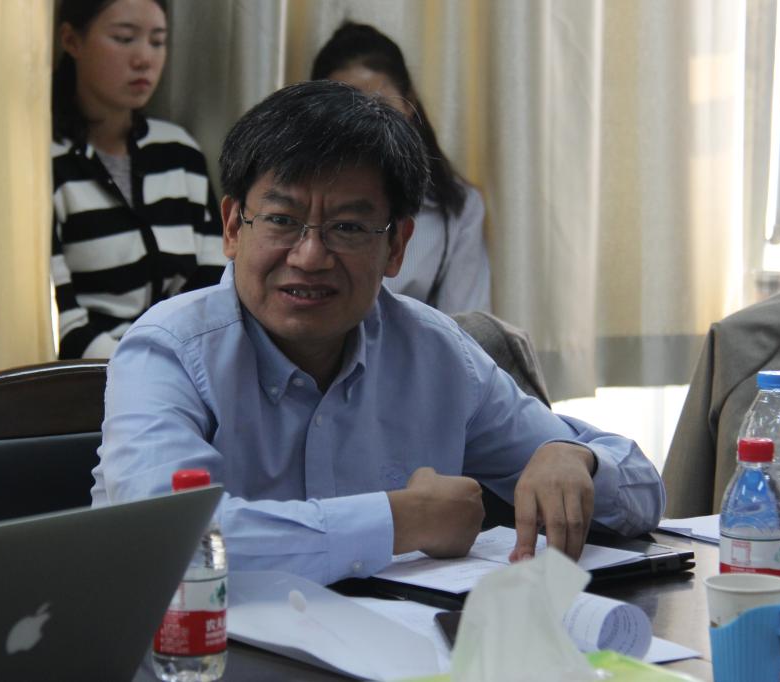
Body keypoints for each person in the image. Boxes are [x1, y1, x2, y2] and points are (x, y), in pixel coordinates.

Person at [92, 80, 665, 586]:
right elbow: (167, 539)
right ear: (232, 227)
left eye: (347, 227)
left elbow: (643, 490)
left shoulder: (437, 352)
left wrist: (573, 458)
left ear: (395, 246)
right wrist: (401, 519)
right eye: (282, 220)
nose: (310, 256)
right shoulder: (167, 351)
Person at [51, 0, 227, 359]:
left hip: (190, 367)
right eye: (124, 38)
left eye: (157, 42)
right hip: (88, 378)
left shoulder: (179, 151)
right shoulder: (46, 163)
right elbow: (59, 321)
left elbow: (216, 281)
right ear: (71, 40)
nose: (144, 58)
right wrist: (141, 374)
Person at [311, 22, 491, 315]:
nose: (365, 129)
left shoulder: (456, 207)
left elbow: (465, 327)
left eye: (380, 107)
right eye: (345, 110)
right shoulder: (292, 193)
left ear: (409, 105)